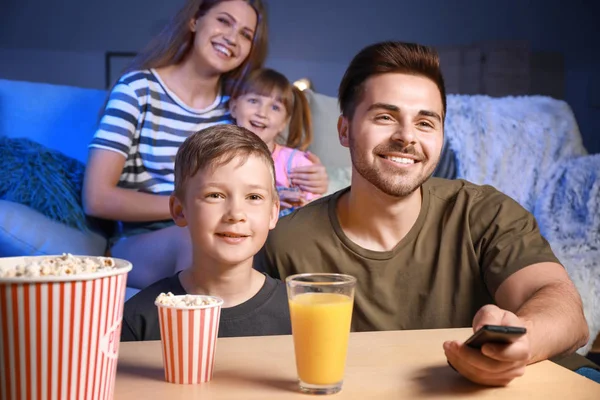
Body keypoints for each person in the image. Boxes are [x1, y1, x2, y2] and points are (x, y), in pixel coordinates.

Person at [255, 41, 594, 386]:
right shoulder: (287, 242)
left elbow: (566, 311)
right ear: (344, 130)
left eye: (425, 123)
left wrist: (523, 341)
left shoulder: (485, 213)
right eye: (385, 117)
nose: (407, 137)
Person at [82, 0, 329, 290]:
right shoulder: (138, 90)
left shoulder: (236, 109)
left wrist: (314, 175)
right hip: (144, 240)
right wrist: (192, 207)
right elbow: (97, 198)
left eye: (246, 34)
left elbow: (274, 160)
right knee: (199, 239)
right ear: (194, 21)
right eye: (224, 21)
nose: (232, 38)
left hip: (222, 229)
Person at [121, 124, 291, 341]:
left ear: (273, 213)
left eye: (254, 197)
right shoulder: (138, 319)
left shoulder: (300, 313)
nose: (236, 214)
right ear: (180, 210)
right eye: (215, 195)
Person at [230, 68, 320, 216]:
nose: (262, 113)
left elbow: (314, 212)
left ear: (284, 123)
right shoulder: (219, 158)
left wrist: (300, 202)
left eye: (275, 107)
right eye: (253, 101)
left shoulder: (296, 164)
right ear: (234, 108)